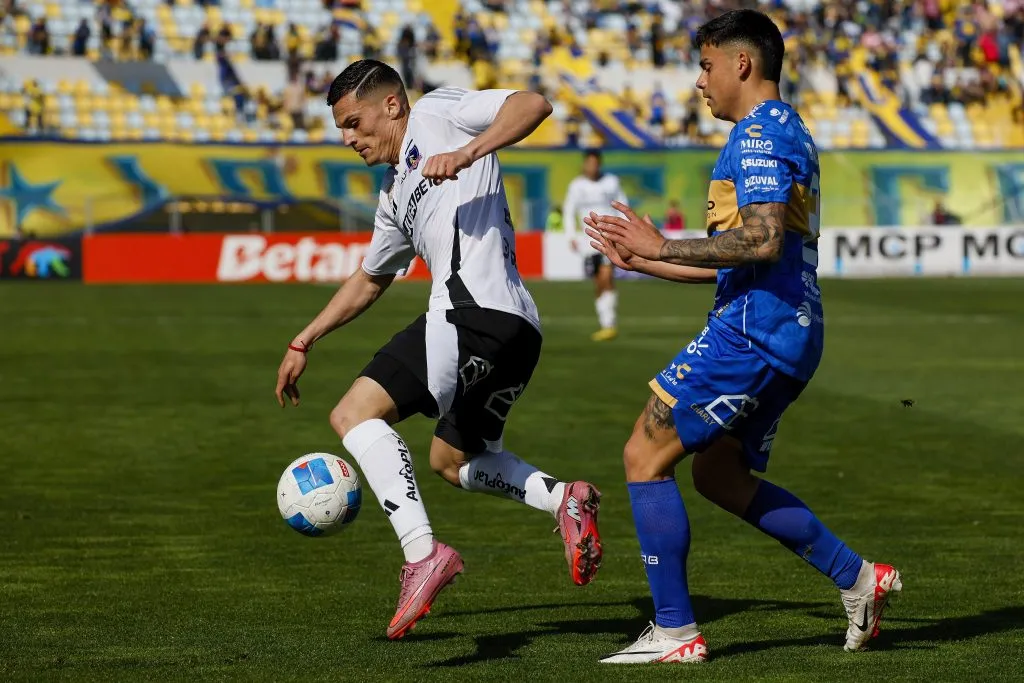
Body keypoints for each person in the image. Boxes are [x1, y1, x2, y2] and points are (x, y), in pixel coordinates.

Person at [584, 10, 901, 664]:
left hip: (753, 335)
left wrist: (661, 241)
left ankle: (674, 630)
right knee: (719, 475)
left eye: (705, 65)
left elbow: (760, 239)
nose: (699, 82)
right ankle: (859, 578)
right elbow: (743, 258)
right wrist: (646, 261)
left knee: (644, 454)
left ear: (742, 64)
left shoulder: (759, 136)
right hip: (783, 330)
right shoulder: (784, 131)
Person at [274, 60, 602, 640]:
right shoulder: (394, 193)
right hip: (516, 330)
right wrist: (305, 338)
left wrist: (469, 153)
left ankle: (421, 553)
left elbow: (533, 104)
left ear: (392, 106)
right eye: (341, 130)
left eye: (354, 123)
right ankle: (563, 499)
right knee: (450, 461)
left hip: (471, 315)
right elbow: (370, 278)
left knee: (353, 414)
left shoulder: (437, 111)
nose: (349, 139)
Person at [562, 149, 628, 341]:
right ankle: (605, 322)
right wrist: (570, 236)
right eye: (590, 163)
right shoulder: (576, 186)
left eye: (596, 163)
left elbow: (622, 205)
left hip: (610, 236)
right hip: (588, 240)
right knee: (598, 280)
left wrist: (624, 232)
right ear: (585, 164)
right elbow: (568, 210)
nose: (593, 166)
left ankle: (610, 323)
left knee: (607, 276)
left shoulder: (611, 182)